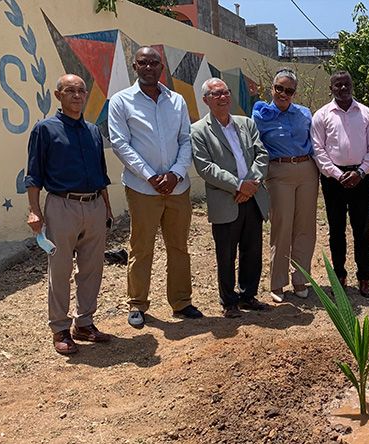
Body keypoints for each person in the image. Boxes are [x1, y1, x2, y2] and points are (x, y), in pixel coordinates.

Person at [108, 46, 201, 328]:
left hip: (177, 187)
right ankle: (137, 304)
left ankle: (182, 302)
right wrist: (150, 175)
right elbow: (120, 143)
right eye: (143, 62)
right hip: (142, 188)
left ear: (162, 67)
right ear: (134, 67)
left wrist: (175, 173)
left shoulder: (177, 101)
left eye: (154, 63)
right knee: (141, 246)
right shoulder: (121, 101)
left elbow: (186, 139)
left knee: (179, 246)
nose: (149, 67)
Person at [25, 74, 113, 354]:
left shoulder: (92, 131)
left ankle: (84, 323)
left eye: (81, 91)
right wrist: (34, 210)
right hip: (61, 206)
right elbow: (34, 174)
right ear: (58, 95)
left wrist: (107, 208)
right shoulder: (45, 129)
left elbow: (102, 174)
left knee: (92, 268)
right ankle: (60, 328)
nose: (76, 95)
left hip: (95, 204)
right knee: (60, 269)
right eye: (70, 91)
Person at [191, 78, 271, 318]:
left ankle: (248, 295)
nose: (223, 97)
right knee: (226, 253)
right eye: (216, 94)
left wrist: (251, 185)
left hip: (252, 198)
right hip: (227, 200)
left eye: (225, 92)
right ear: (206, 100)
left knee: (252, 250)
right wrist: (238, 186)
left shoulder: (246, 123)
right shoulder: (198, 131)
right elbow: (206, 168)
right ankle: (229, 301)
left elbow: (262, 154)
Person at [252, 68, 318, 303]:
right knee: (282, 227)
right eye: (279, 88)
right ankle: (277, 283)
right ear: (272, 88)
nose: (283, 93)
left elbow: (314, 141)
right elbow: (255, 146)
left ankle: (300, 279)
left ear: (294, 93)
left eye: (289, 90)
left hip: (307, 170)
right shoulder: (260, 115)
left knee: (305, 227)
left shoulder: (304, 113)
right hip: (278, 171)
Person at [311, 71, 369, 297]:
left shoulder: (367, 114)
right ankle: (339, 276)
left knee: (362, 231)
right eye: (337, 85)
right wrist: (338, 175)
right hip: (333, 180)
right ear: (331, 88)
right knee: (336, 230)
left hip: (362, 177)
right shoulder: (321, 115)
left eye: (346, 84)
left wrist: (360, 172)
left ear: (352, 85)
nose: (342, 88)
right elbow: (318, 150)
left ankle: (364, 277)